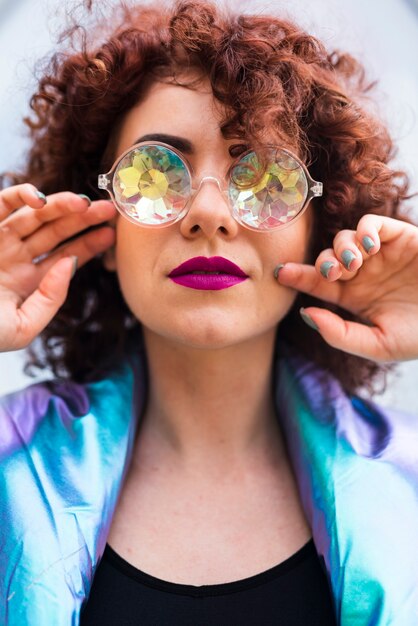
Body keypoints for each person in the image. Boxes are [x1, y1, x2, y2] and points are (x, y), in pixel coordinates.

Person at [1, 1, 418, 624]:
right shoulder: (10, 461)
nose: (209, 212)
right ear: (103, 226)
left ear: (318, 228)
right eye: (155, 173)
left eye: (265, 178)